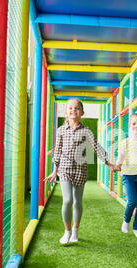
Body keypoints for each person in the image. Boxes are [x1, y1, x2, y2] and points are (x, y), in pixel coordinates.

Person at [45, 98, 116, 244]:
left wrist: (109, 163)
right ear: (66, 111)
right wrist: (54, 171)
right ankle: (67, 231)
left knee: (77, 202)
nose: (73, 110)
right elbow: (57, 151)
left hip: (80, 170)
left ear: (82, 112)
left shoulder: (86, 131)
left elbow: (96, 147)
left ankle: (75, 232)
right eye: (70, 108)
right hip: (64, 168)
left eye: (77, 108)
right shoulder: (61, 130)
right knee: (68, 200)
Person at [114, 111, 137, 237]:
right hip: (128, 175)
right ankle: (126, 221)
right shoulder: (125, 142)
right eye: (134, 124)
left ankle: (136, 228)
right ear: (129, 126)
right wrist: (118, 165)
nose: (136, 126)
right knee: (132, 201)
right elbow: (121, 157)